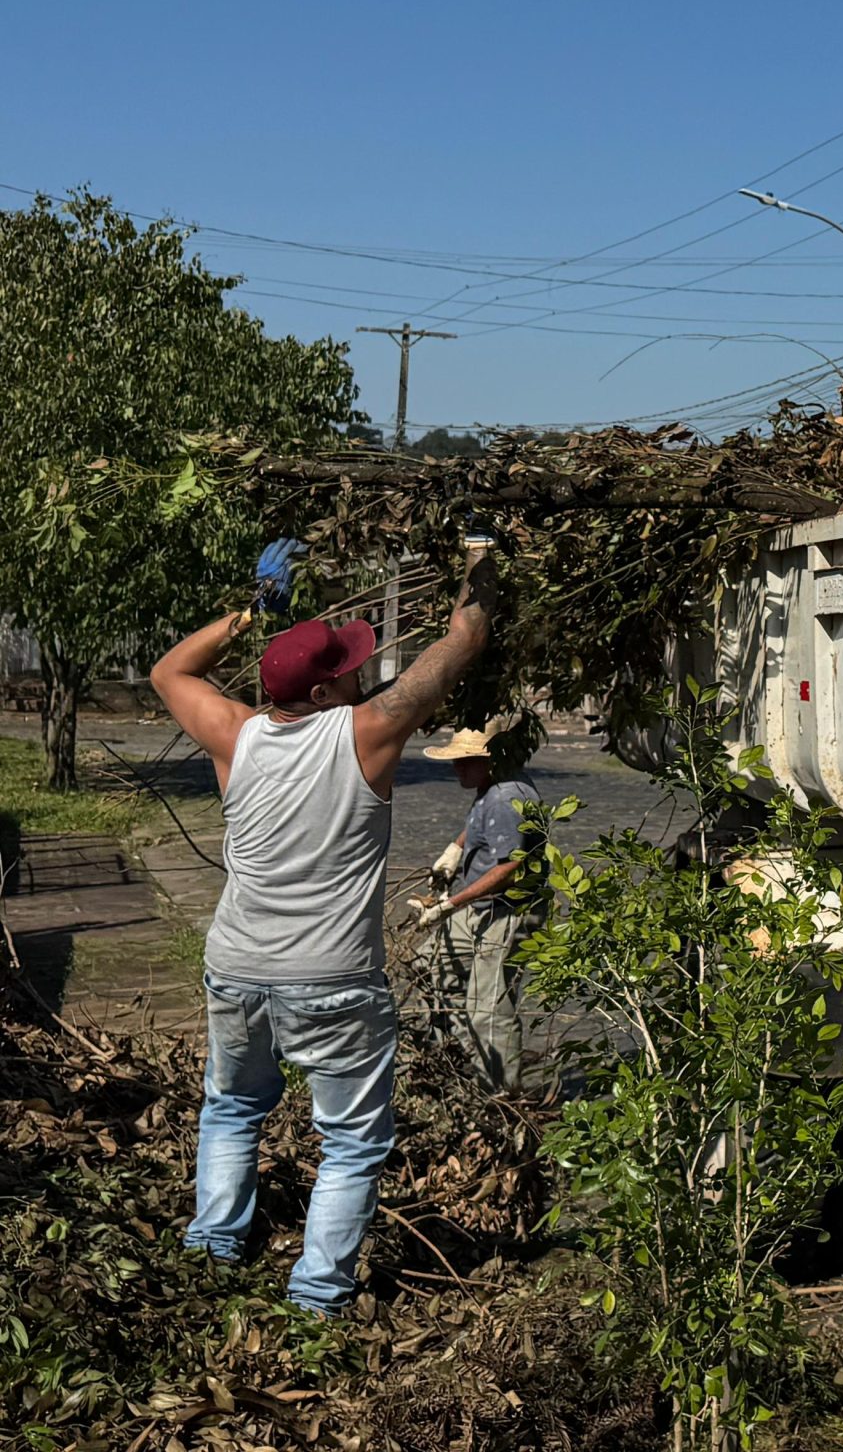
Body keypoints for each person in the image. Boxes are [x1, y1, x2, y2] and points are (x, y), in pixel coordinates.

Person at [149, 564, 492, 1315]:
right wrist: (482, 579)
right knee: (351, 1142)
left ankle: (212, 1251)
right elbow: (462, 642)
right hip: (331, 980)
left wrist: (244, 615)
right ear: (319, 694)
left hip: (236, 966)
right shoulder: (366, 733)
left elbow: (170, 669)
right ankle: (316, 1295)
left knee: (234, 1108)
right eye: (344, 669)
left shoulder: (235, 735)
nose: (359, 673)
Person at [411, 727, 543, 1092]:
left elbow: (510, 869)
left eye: (463, 760)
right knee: (430, 967)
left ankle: (501, 1095)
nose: (456, 767)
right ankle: (458, 1061)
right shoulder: (491, 788)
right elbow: (481, 826)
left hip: (506, 911)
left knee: (489, 1011)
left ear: (488, 760)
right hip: (480, 905)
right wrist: (454, 851)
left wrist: (450, 904)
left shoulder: (506, 797)